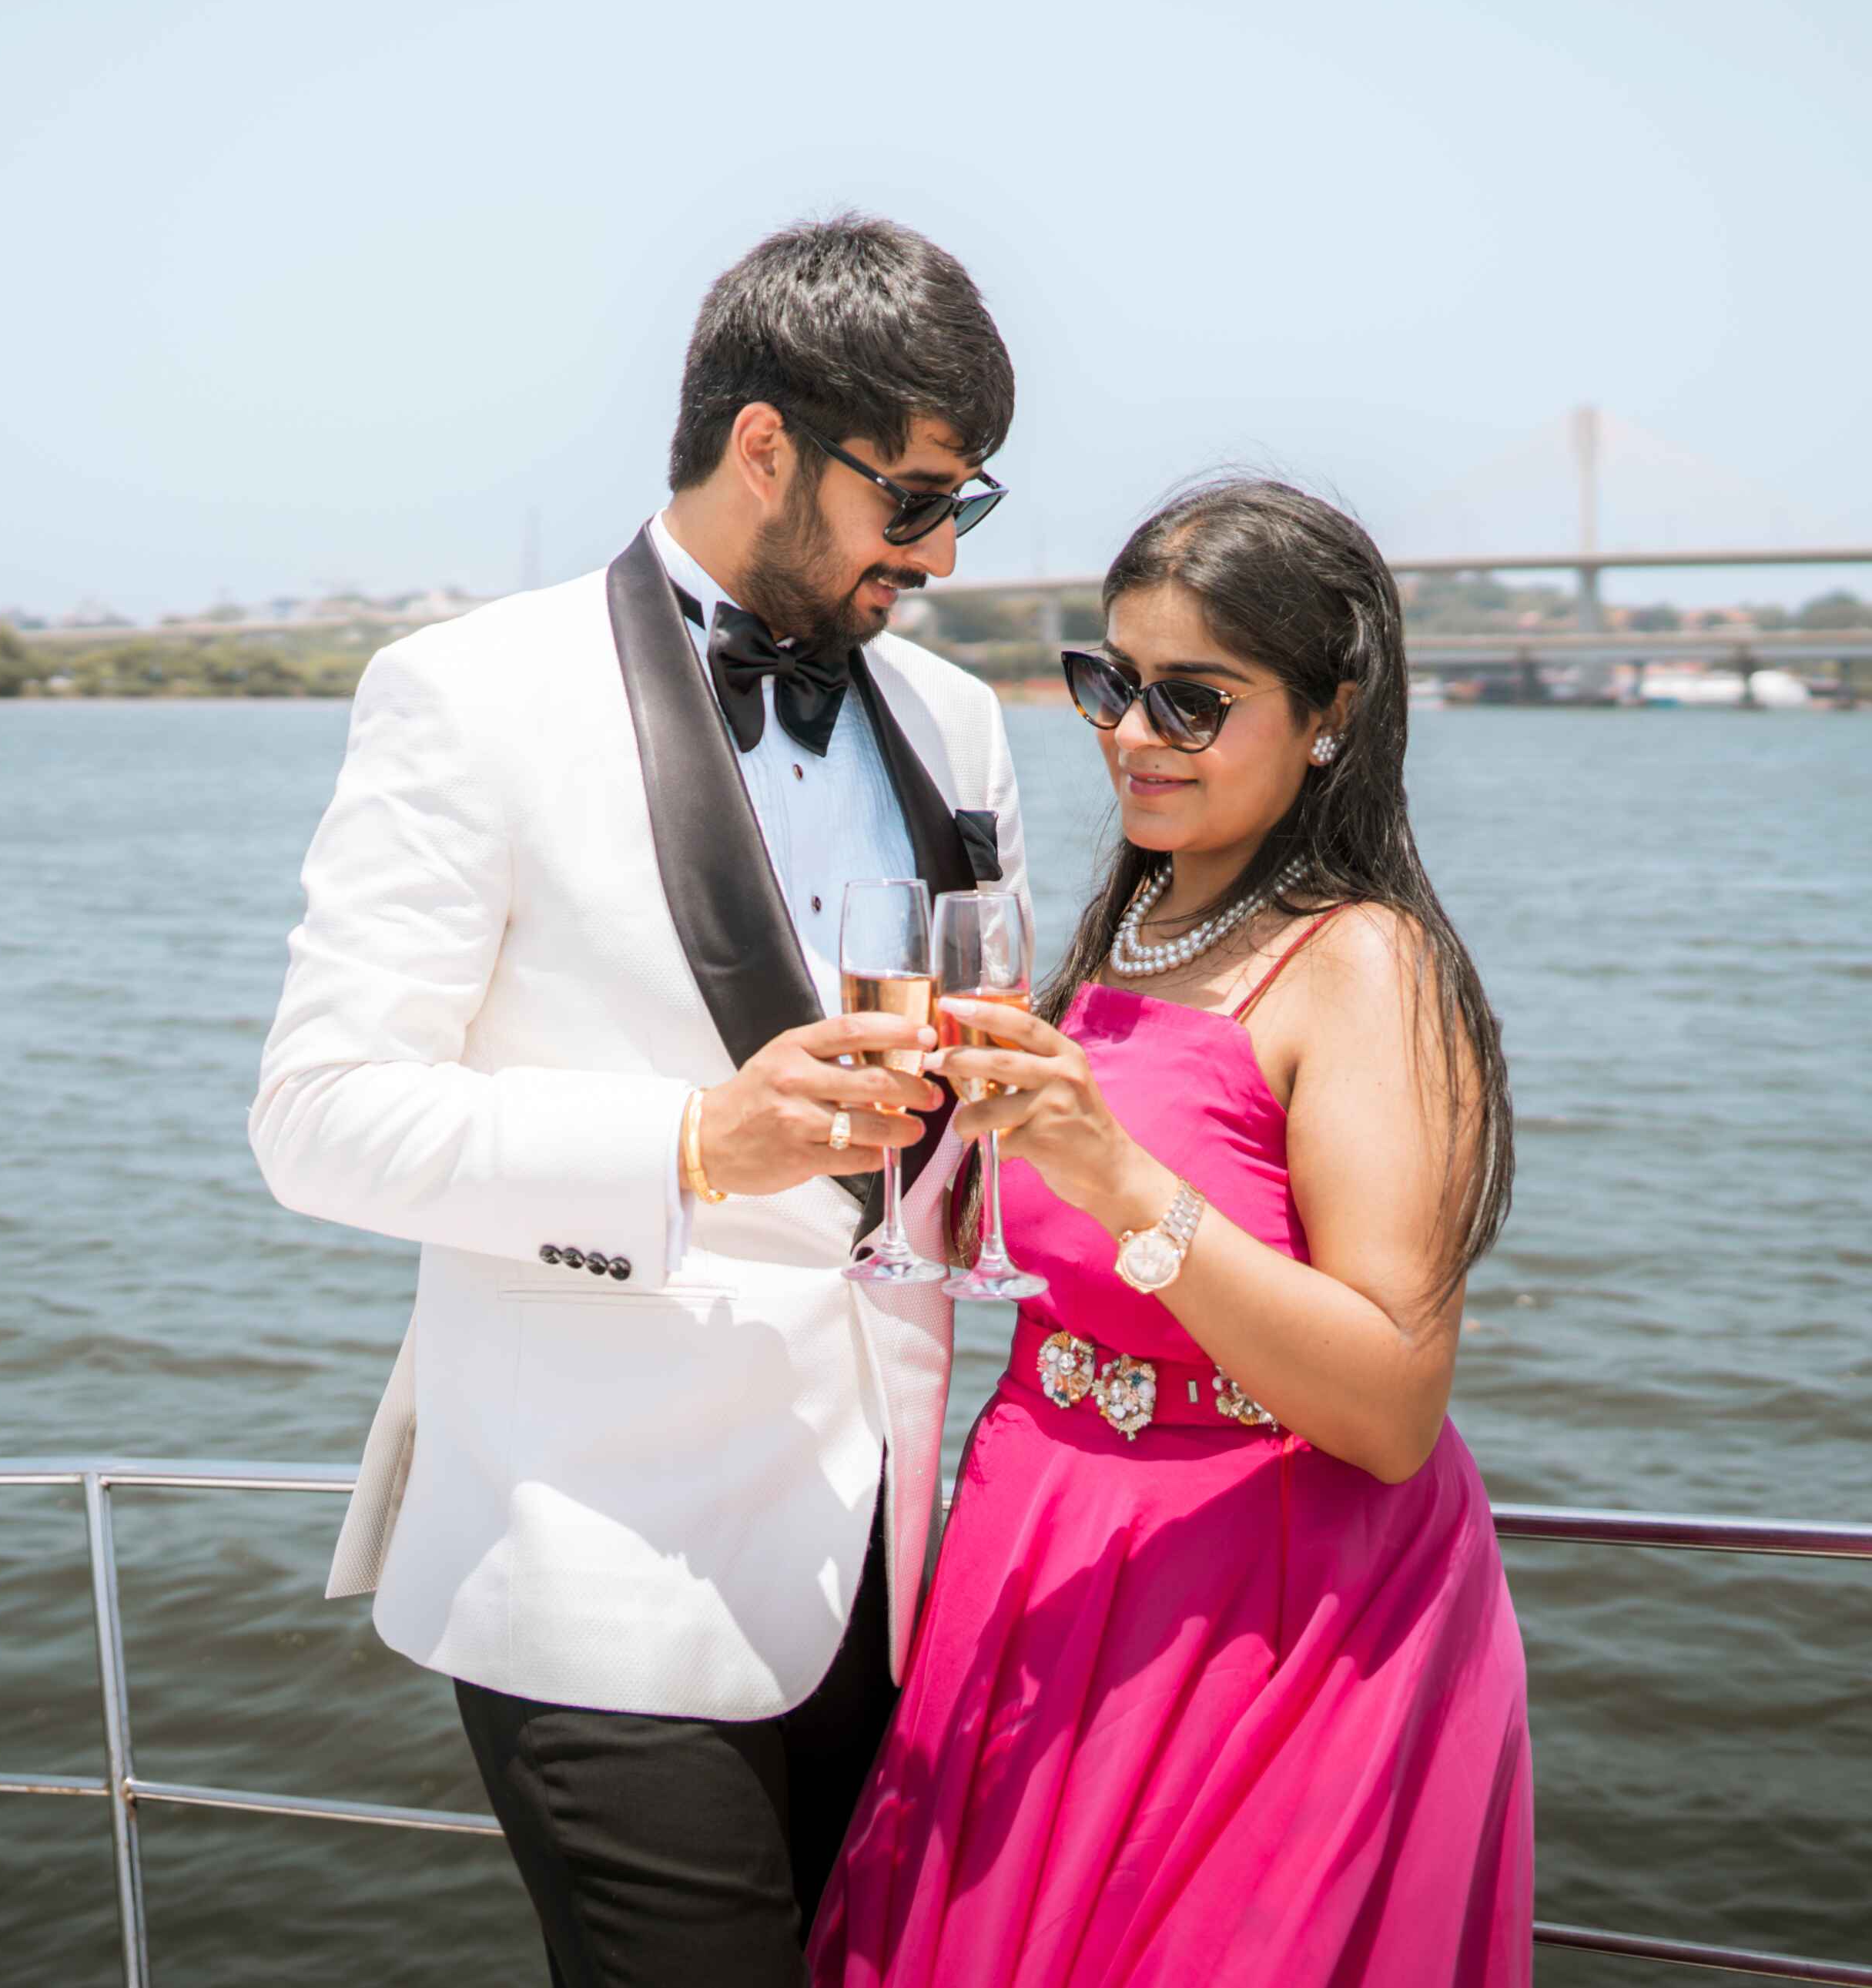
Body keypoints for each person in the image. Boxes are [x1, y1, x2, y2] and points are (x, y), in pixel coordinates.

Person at [250, 215, 1030, 1988]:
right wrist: (691, 1143)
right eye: (909, 497)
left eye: (960, 506)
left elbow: (970, 1134)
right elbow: (317, 1115)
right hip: (592, 1553)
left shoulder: (960, 723)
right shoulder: (469, 692)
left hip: (895, 1571)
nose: (934, 551)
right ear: (765, 444)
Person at [813, 476, 1533, 1987]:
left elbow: (1394, 1403)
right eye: (1109, 681)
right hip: (1042, 1539)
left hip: (1266, 1600)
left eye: (1193, 700)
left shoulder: (1365, 965)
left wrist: (1116, 1172)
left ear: (1328, 712)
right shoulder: (1124, 926)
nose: (1131, 735)